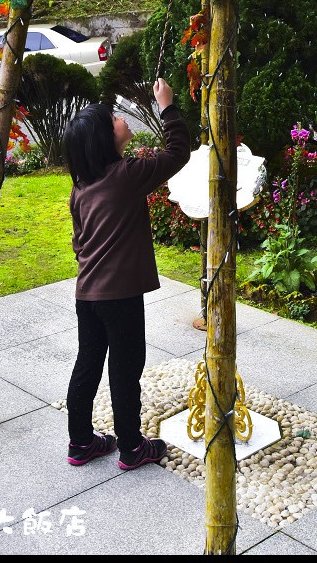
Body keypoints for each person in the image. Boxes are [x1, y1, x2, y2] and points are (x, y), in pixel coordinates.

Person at [62, 77, 191, 470]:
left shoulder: (81, 187)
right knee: (124, 369)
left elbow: (78, 242)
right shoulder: (126, 175)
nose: (120, 118)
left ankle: (81, 443)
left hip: (88, 296)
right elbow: (177, 154)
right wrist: (166, 106)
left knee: (88, 364)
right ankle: (132, 448)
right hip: (121, 298)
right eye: (113, 118)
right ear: (105, 139)